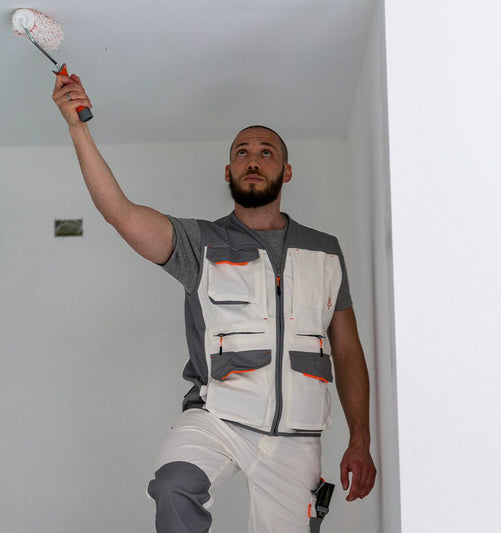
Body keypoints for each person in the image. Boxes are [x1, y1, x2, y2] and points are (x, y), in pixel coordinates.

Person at [52, 72, 376, 533]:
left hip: (296, 437)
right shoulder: (199, 243)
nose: (252, 160)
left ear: (286, 172)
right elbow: (120, 212)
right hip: (217, 417)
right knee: (173, 486)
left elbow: (347, 350)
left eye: (266, 152)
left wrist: (360, 439)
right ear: (228, 172)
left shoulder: (325, 251)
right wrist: (77, 127)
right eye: (241, 153)